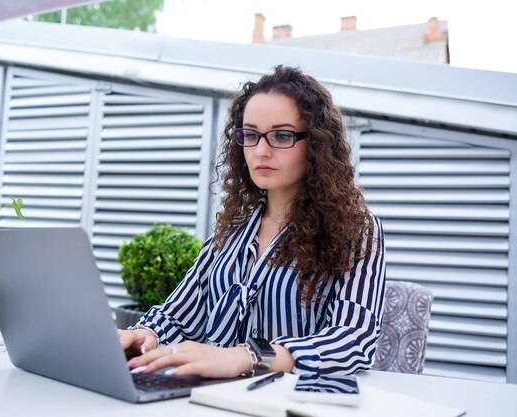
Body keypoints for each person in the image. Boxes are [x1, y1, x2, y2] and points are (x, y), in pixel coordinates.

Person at [118, 65, 386, 379]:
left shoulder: (355, 229)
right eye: (251, 134)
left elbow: (353, 340)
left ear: (316, 144)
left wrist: (248, 357)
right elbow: (178, 315)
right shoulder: (234, 226)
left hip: (286, 402)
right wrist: (145, 333)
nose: (261, 151)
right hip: (206, 397)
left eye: (282, 135)